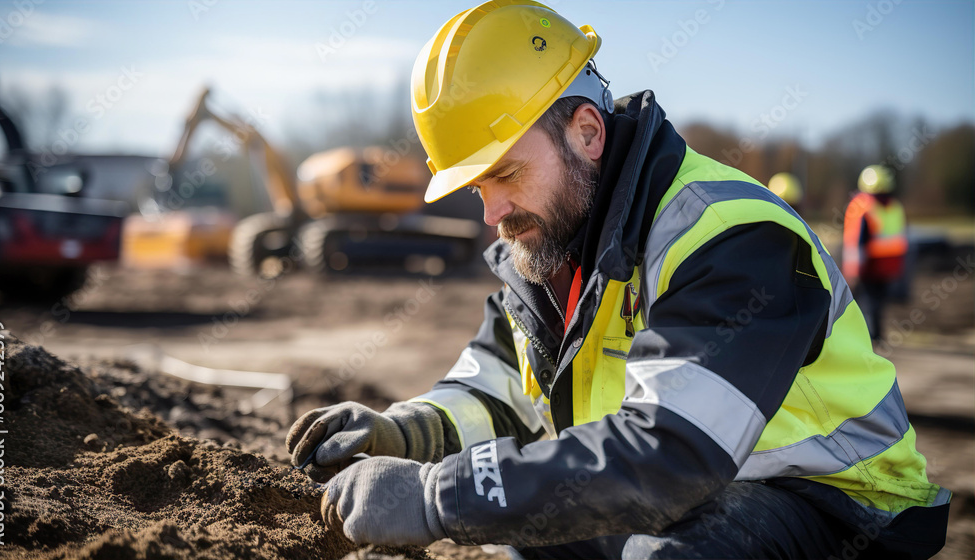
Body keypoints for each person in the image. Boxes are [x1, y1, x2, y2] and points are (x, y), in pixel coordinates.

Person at [286, 2, 949, 557]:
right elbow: (498, 389)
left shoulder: (732, 237)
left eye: (506, 175)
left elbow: (667, 454)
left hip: (845, 511)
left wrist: (439, 496)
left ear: (587, 132)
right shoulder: (551, 247)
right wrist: (404, 432)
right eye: (475, 186)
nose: (491, 213)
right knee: (531, 535)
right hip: (696, 485)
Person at [843, 164, 909, 341]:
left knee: (866, 301)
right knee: (877, 301)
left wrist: (853, 271)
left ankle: (870, 337)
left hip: (869, 264)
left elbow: (858, 242)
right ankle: (877, 334)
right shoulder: (895, 206)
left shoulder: (863, 206)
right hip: (889, 264)